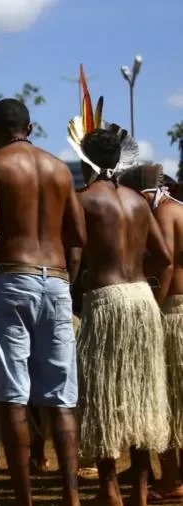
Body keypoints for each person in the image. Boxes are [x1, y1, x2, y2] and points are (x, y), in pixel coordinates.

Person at [0, 98, 86, 506]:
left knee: (12, 394)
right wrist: (65, 280)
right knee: (61, 397)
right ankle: (71, 498)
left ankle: (25, 500)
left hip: (12, 278)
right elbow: (77, 237)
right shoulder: (57, 168)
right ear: (30, 127)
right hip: (57, 281)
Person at [73, 124, 172, 505]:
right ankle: (142, 492)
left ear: (85, 161)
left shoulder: (84, 200)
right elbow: (163, 257)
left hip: (107, 300)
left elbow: (75, 255)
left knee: (105, 395)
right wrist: (148, 287)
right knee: (140, 394)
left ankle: (110, 490)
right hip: (142, 299)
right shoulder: (138, 202)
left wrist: (77, 284)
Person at [119, 163, 183, 502]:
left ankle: (171, 479)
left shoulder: (165, 214)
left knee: (168, 400)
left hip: (173, 312)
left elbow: (167, 262)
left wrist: (154, 309)